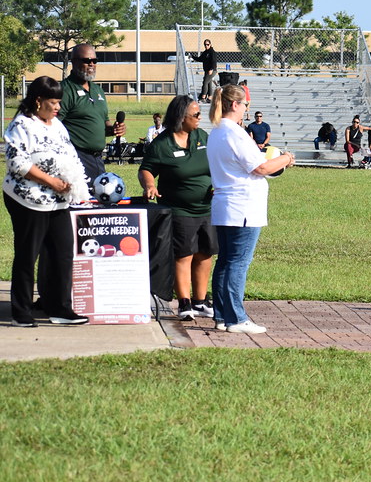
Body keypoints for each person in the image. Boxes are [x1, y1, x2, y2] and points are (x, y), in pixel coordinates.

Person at [207, 84, 295, 334]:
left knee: (225, 262)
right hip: (242, 207)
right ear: (235, 105)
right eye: (245, 104)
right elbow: (261, 168)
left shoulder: (217, 132)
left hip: (226, 205)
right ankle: (236, 318)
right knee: (238, 263)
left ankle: (223, 315)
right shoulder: (234, 133)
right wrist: (287, 158)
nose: (247, 109)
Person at [3, 76, 90, 327]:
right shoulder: (22, 125)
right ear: (38, 100)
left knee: (62, 254)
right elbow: (17, 163)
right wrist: (51, 181)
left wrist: (74, 181)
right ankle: (21, 312)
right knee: (27, 255)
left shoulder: (57, 125)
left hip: (58, 201)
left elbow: (70, 155)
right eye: (53, 102)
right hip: (28, 200)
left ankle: (60, 308)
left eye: (59, 103)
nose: (57, 108)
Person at [138, 95, 218, 321]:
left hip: (207, 207)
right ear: (181, 117)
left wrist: (216, 185)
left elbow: (217, 163)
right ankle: (184, 303)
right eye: (196, 115)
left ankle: (200, 302)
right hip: (179, 210)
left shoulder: (202, 136)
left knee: (205, 253)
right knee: (184, 254)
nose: (200, 118)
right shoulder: (162, 144)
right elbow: (146, 169)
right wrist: (150, 185)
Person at [58, 44, 126, 186]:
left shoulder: (98, 90)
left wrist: (113, 129)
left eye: (95, 61)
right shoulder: (65, 90)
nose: (91, 64)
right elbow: (53, 126)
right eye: (86, 60)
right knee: (81, 204)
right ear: (74, 62)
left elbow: (104, 122)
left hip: (97, 159)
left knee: (98, 203)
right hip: (77, 157)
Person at [197, 39, 218, 103]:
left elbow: (214, 62)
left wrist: (211, 69)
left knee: (205, 82)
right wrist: (192, 57)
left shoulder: (212, 52)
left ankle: (203, 97)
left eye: (207, 44)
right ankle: (210, 98)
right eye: (205, 45)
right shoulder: (205, 52)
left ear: (210, 44)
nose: (206, 46)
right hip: (206, 70)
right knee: (209, 83)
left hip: (211, 70)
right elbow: (200, 59)